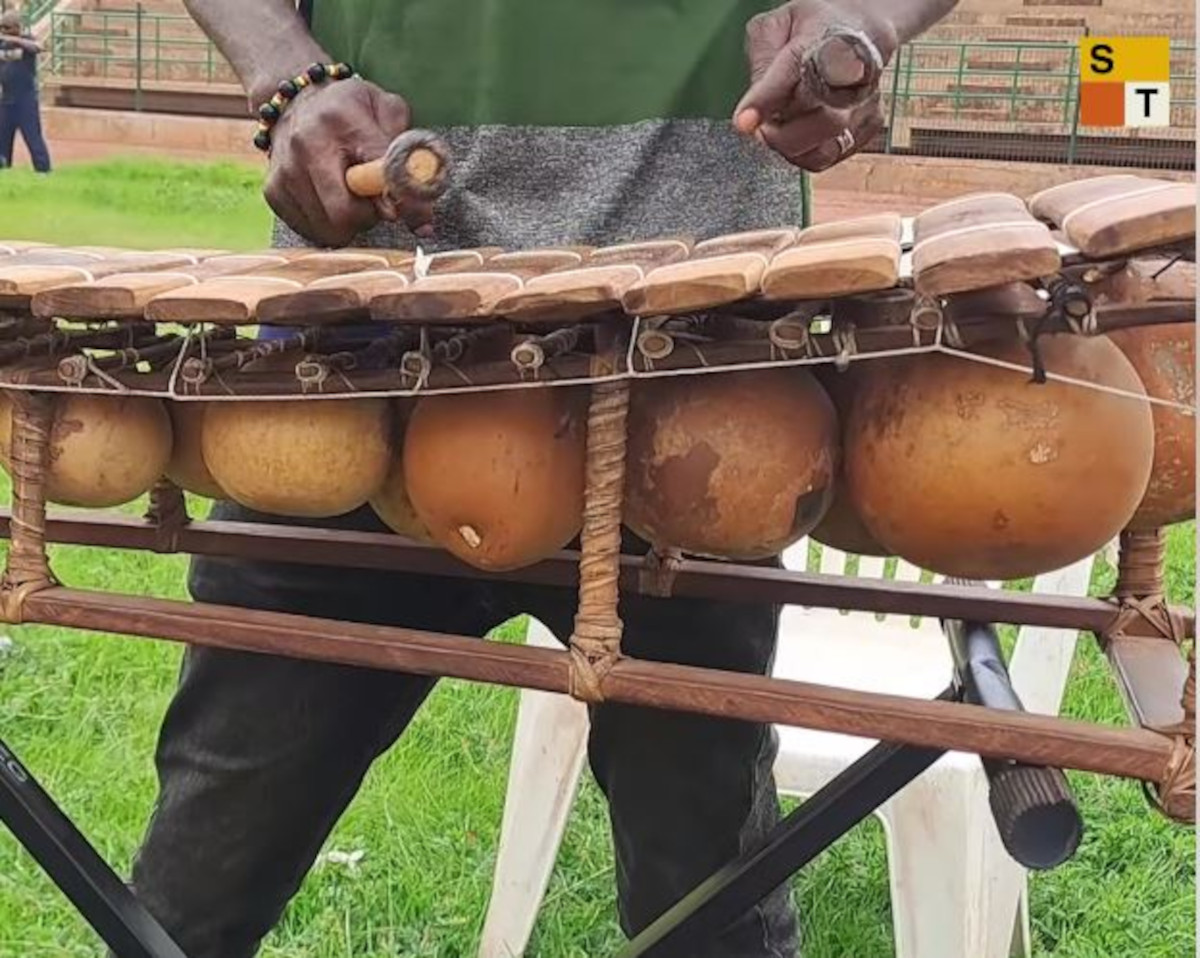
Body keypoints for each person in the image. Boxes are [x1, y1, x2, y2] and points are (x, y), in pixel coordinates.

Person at [124, 1, 957, 955]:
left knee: (708, 917)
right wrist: (285, 70)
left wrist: (864, 19)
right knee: (187, 905)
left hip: (695, 396)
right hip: (351, 377)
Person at [0, 10, 51, 173]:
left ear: (17, 27)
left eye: (8, 27)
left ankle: (43, 170)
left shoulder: (27, 40)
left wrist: (14, 39)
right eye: (2, 27)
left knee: (33, 137)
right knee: (2, 138)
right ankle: (4, 168)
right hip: (6, 99)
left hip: (26, 100)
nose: (4, 31)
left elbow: (39, 47)